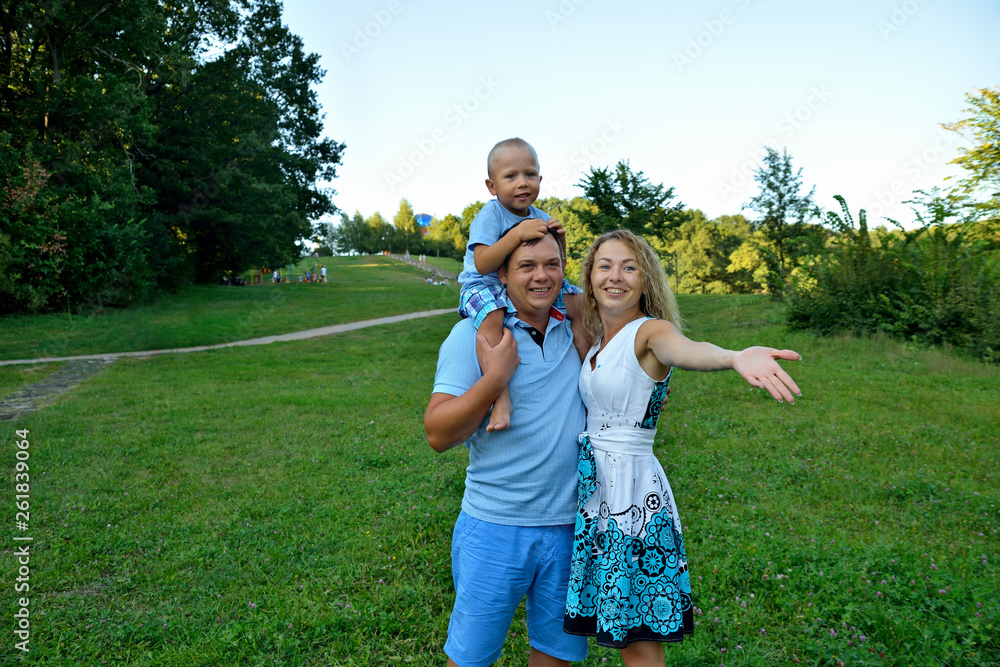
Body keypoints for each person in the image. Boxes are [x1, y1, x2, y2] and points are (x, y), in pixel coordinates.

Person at [562, 229, 802, 666]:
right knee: (620, 629)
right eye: (605, 266)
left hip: (632, 498)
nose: (616, 276)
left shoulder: (651, 332)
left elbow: (688, 349)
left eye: (629, 267)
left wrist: (732, 356)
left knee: (638, 641)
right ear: (590, 279)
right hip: (598, 496)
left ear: (646, 280)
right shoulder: (598, 342)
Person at [425, 229, 589, 667]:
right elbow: (438, 434)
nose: (542, 276)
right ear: (502, 273)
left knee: (555, 655)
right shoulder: (472, 335)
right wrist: (495, 380)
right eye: (527, 266)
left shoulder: (576, 331)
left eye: (551, 264)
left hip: (572, 528)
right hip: (496, 525)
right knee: (472, 658)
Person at [456, 138, 587, 434]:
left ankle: (589, 370)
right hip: (483, 285)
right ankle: (500, 396)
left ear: (540, 179)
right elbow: (482, 263)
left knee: (580, 304)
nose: (522, 183)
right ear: (492, 186)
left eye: (529, 174)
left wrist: (560, 240)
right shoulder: (491, 214)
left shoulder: (540, 216)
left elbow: (558, 261)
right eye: (511, 176)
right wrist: (516, 236)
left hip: (518, 284)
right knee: (494, 316)